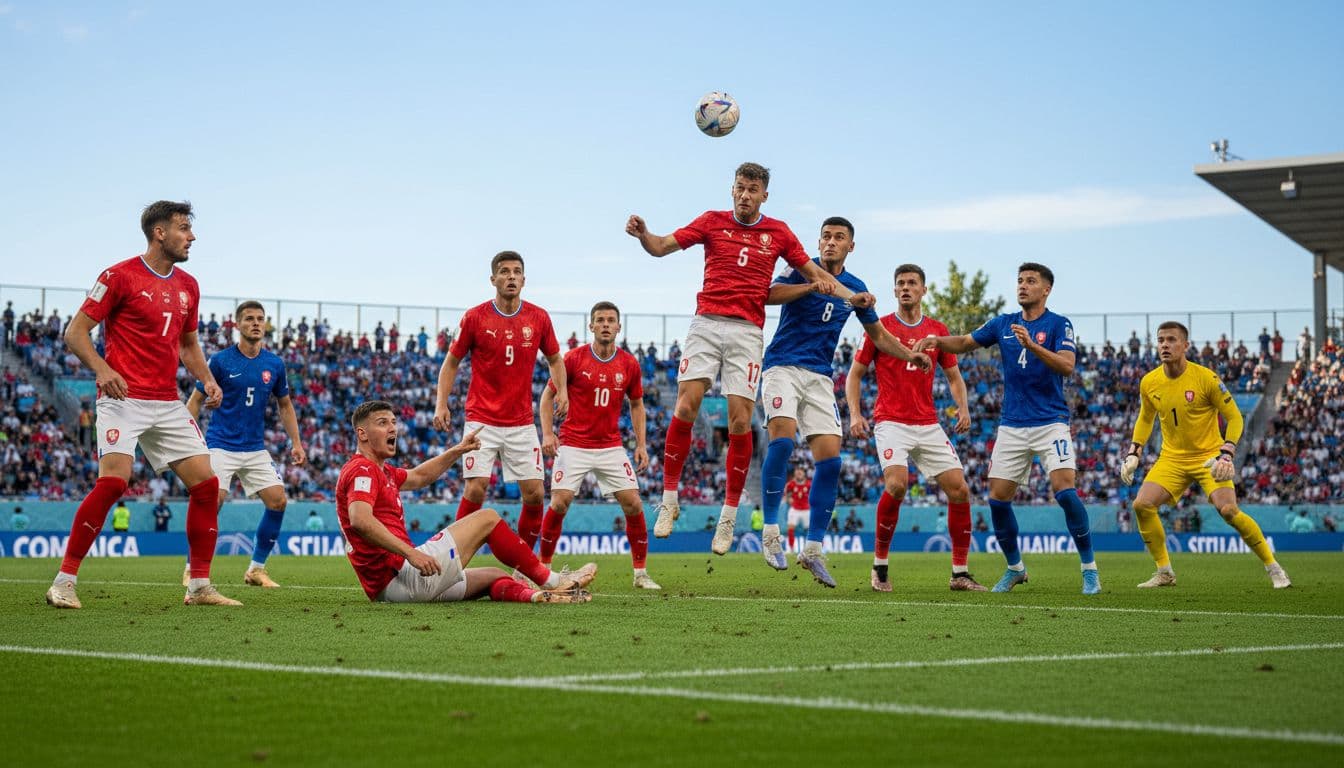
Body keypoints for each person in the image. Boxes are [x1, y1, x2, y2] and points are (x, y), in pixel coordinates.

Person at [626, 162, 847, 551]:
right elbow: (660, 247)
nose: (745, 195)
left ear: (764, 195)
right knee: (686, 405)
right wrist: (644, 235)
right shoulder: (711, 222)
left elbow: (816, 273)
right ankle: (669, 499)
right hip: (706, 323)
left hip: (747, 332)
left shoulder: (779, 232)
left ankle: (727, 517)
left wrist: (850, 296)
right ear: (732, 189)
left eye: (753, 189)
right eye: (740, 187)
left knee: (741, 421)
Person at [46, 200, 238, 609]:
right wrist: (102, 370)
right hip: (123, 398)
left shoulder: (189, 286)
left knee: (207, 487)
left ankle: (199, 586)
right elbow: (75, 333)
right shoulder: (118, 276)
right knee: (114, 482)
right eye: (184, 228)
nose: (192, 236)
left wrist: (207, 379)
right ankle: (63, 582)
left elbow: (188, 345)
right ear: (159, 233)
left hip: (166, 402)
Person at [757, 217, 930, 586]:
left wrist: (909, 356)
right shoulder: (801, 268)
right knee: (783, 441)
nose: (830, 242)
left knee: (831, 461)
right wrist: (810, 286)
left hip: (820, 376)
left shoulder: (856, 288)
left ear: (851, 246)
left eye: (838, 238)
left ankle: (813, 549)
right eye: (826, 237)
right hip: (782, 366)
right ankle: (770, 532)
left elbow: (878, 335)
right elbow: (768, 294)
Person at [915, 263, 1100, 595]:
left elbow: (1067, 366)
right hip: (1012, 425)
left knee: (1065, 491)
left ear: (1046, 289)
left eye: (1031, 281)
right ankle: (1015, 568)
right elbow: (966, 342)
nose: (1023, 286)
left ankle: (1090, 571)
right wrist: (936, 340)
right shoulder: (1003, 323)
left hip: (1050, 422)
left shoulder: (1059, 324)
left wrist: (1033, 345)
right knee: (998, 500)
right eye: (1020, 281)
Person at [337, 400, 595, 604]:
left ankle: (539, 596)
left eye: (394, 422)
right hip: (401, 575)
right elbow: (361, 520)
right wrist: (412, 553)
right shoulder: (362, 470)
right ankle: (553, 581)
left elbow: (420, 476)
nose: (392, 428)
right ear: (362, 434)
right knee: (487, 518)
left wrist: (458, 450)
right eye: (382, 423)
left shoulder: (382, 471)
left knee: (494, 575)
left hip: (393, 587)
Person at [1119, 321, 1291, 589]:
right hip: (1172, 459)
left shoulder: (1206, 378)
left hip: (1209, 457)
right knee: (1142, 505)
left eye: (1172, 340)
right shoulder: (1149, 382)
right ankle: (1164, 572)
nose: (1165, 345)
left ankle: (1274, 567)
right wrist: (1134, 451)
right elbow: (1145, 418)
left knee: (1229, 511)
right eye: (1161, 340)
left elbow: (1234, 417)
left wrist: (1227, 452)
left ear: (1185, 345)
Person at [848, 263, 985, 593]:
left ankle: (960, 574)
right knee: (897, 485)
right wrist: (854, 414)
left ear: (924, 290)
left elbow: (954, 377)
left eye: (912, 283)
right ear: (894, 290)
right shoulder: (879, 327)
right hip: (891, 421)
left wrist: (963, 407)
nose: (906, 287)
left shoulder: (937, 330)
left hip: (927, 423)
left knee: (959, 490)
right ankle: (880, 567)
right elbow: (855, 374)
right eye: (901, 283)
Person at [432, 251, 567, 551]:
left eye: (516, 272)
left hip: (520, 423)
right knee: (475, 488)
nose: (511, 277)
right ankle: (452, 558)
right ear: (493, 279)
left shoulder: (539, 317)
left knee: (535, 494)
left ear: (524, 280)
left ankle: (523, 563)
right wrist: (441, 403)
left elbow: (556, 359)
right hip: (481, 419)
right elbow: (451, 362)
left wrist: (563, 391)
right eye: (504, 272)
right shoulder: (475, 317)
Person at [537, 301, 659, 589]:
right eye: (600, 320)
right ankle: (542, 570)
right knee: (559, 502)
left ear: (619, 327)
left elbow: (637, 405)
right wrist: (548, 434)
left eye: (610, 320)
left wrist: (641, 445)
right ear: (591, 326)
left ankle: (640, 574)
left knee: (633, 503)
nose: (605, 324)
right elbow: (546, 398)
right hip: (573, 444)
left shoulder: (629, 364)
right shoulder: (573, 359)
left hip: (610, 446)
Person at [186, 300, 306, 589]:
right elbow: (196, 400)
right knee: (212, 501)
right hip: (220, 444)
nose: (256, 323)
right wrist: (187, 440)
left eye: (260, 319)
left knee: (278, 500)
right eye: (249, 318)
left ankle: (256, 570)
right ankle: (192, 568)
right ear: (237, 324)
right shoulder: (220, 361)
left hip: (254, 447)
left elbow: (285, 405)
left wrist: (296, 443)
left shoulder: (274, 364)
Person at [782, 467, 811, 552]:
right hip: (794, 509)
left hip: (806, 510)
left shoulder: (809, 484)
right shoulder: (790, 484)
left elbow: (815, 495)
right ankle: (791, 548)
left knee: (810, 530)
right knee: (791, 528)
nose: (799, 473)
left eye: (800, 472)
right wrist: (788, 499)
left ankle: (812, 549)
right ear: (794, 474)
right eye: (797, 472)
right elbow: (785, 495)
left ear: (804, 474)